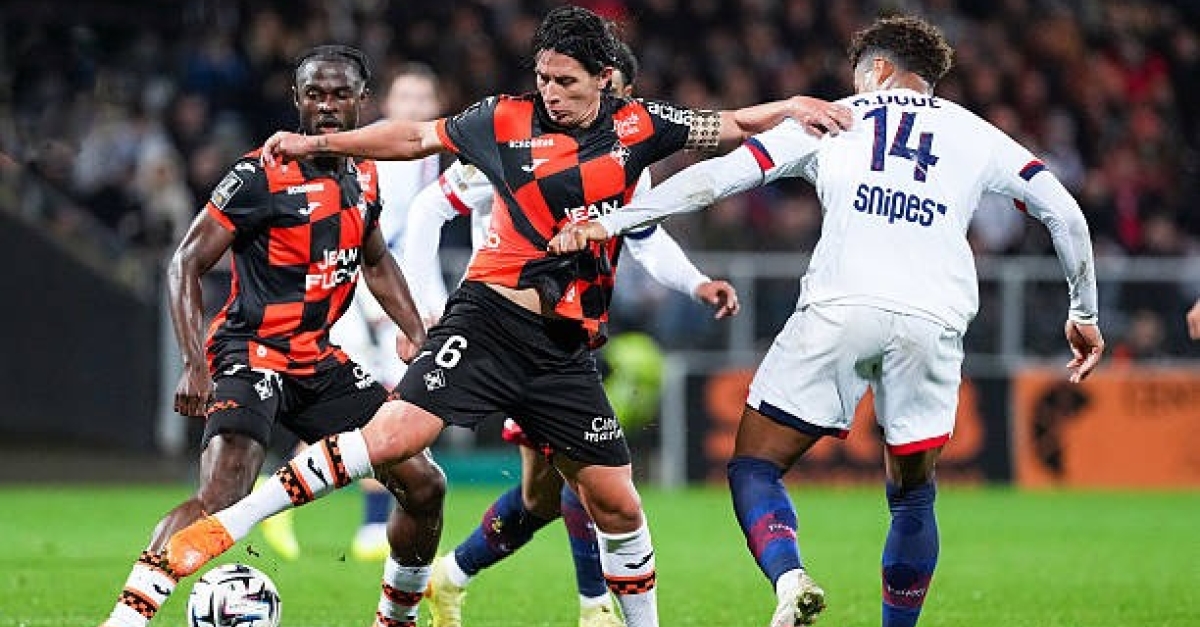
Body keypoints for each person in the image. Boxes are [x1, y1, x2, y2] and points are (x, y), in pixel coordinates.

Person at [165, 7, 851, 627]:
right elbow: (414, 138)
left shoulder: (641, 125)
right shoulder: (503, 118)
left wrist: (790, 106)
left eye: (566, 81)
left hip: (564, 350)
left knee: (618, 502)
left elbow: (725, 125)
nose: (550, 92)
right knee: (396, 435)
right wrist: (319, 147)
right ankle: (238, 519)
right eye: (544, 77)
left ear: (604, 79)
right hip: (488, 320)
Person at [549, 15, 1106, 627]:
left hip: (841, 307)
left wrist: (614, 220)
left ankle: (790, 580)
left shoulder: (838, 116)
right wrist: (1082, 312)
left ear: (882, 70)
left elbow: (715, 179)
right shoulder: (979, 135)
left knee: (755, 466)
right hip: (934, 317)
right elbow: (1066, 214)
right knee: (914, 496)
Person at [96, 46, 446, 627]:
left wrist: (414, 330)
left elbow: (376, 259)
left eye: (339, 95)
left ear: (363, 99)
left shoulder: (364, 174)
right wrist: (194, 363)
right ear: (297, 101)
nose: (327, 107)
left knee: (423, 481)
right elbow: (184, 263)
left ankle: (397, 618)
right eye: (314, 95)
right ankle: (125, 620)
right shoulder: (258, 174)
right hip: (249, 352)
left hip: (318, 358)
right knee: (220, 501)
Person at [404, 41, 740, 627]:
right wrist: (429, 310)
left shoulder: (617, 156)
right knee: (583, 476)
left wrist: (696, 284)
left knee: (542, 497)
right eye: (623, 103)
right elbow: (430, 206)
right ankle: (594, 607)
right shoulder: (524, 148)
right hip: (503, 331)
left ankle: (451, 574)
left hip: (565, 334)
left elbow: (645, 236)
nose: (628, 120)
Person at [261, 62, 449, 564]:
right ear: (386, 105)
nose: (412, 107)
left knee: (385, 420)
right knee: (382, 416)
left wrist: (430, 309)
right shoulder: (374, 159)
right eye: (404, 97)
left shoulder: (434, 164)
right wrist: (378, 311)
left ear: (435, 108)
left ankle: (286, 492)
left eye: (422, 99)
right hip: (359, 307)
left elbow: (411, 250)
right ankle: (354, 520)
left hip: (402, 307)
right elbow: (365, 246)